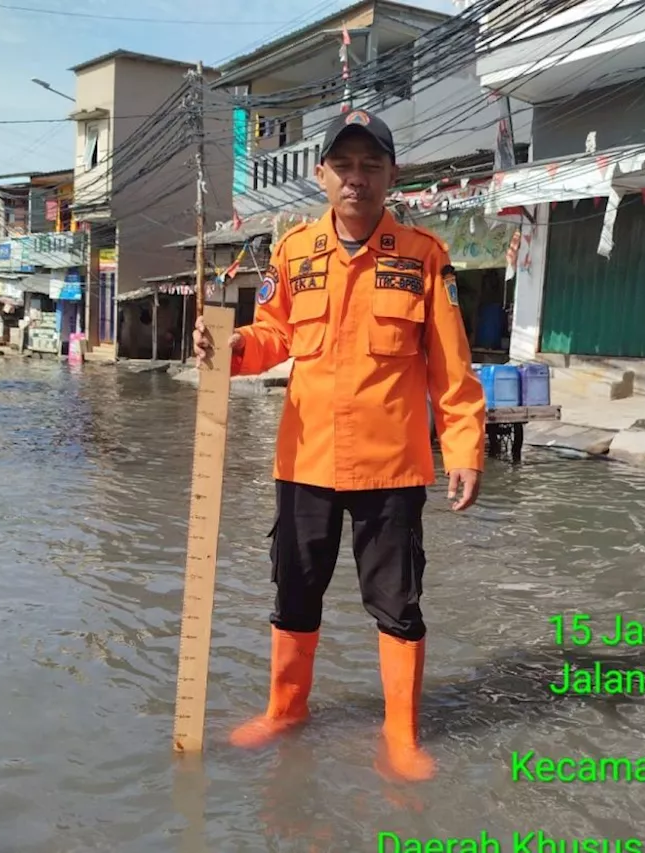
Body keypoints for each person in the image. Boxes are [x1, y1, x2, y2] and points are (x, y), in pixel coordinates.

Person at [192, 109, 487, 782]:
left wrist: (465, 447)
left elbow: (451, 367)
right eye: (344, 165)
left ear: (391, 175)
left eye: (370, 165)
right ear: (321, 174)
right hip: (305, 462)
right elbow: (273, 336)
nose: (357, 178)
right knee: (294, 593)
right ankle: (285, 710)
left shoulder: (423, 258)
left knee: (398, 603)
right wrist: (233, 346)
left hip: (392, 466)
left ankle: (401, 735)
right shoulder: (293, 252)